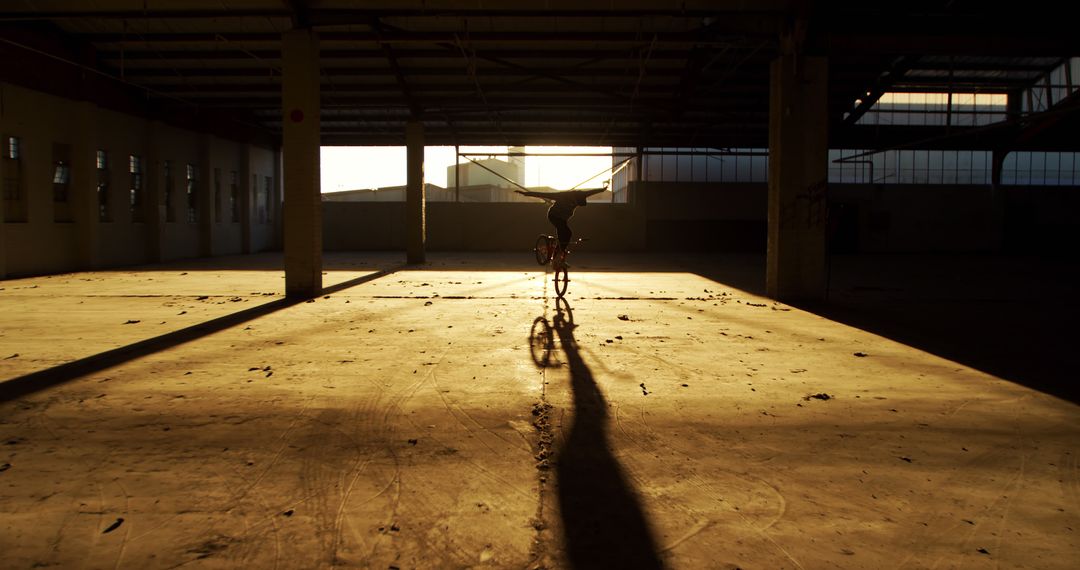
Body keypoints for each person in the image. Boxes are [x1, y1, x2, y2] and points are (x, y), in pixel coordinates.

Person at [515, 185, 607, 268]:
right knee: (566, 231)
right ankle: (558, 255)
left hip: (563, 218)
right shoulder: (562, 195)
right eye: (576, 203)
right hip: (554, 216)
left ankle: (559, 254)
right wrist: (526, 194)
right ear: (576, 198)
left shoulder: (583, 194)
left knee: (565, 235)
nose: (576, 205)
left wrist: (603, 189)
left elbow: (594, 191)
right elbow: (542, 194)